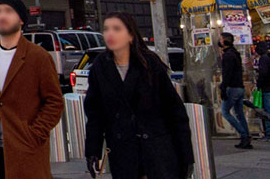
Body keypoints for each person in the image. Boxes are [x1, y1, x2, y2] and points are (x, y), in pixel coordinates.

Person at [81, 13, 193, 179]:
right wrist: (93, 151)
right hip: (123, 150)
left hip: (156, 149)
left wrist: (186, 156)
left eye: (117, 29)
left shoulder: (150, 63)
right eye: (106, 29)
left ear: (131, 35)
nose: (110, 34)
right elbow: (95, 114)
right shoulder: (101, 66)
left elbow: (175, 111)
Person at [0, 0, 64, 179]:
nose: (2, 16)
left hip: (25, 148)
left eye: (8, 11)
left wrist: (34, 134)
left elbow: (54, 101)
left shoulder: (37, 56)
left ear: (21, 19)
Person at [218, 33, 254, 150]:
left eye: (221, 39)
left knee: (225, 112)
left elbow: (227, 73)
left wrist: (223, 87)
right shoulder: (235, 54)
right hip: (239, 87)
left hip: (232, 87)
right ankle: (245, 137)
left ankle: (244, 134)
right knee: (239, 113)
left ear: (224, 42)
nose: (219, 41)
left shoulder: (228, 56)